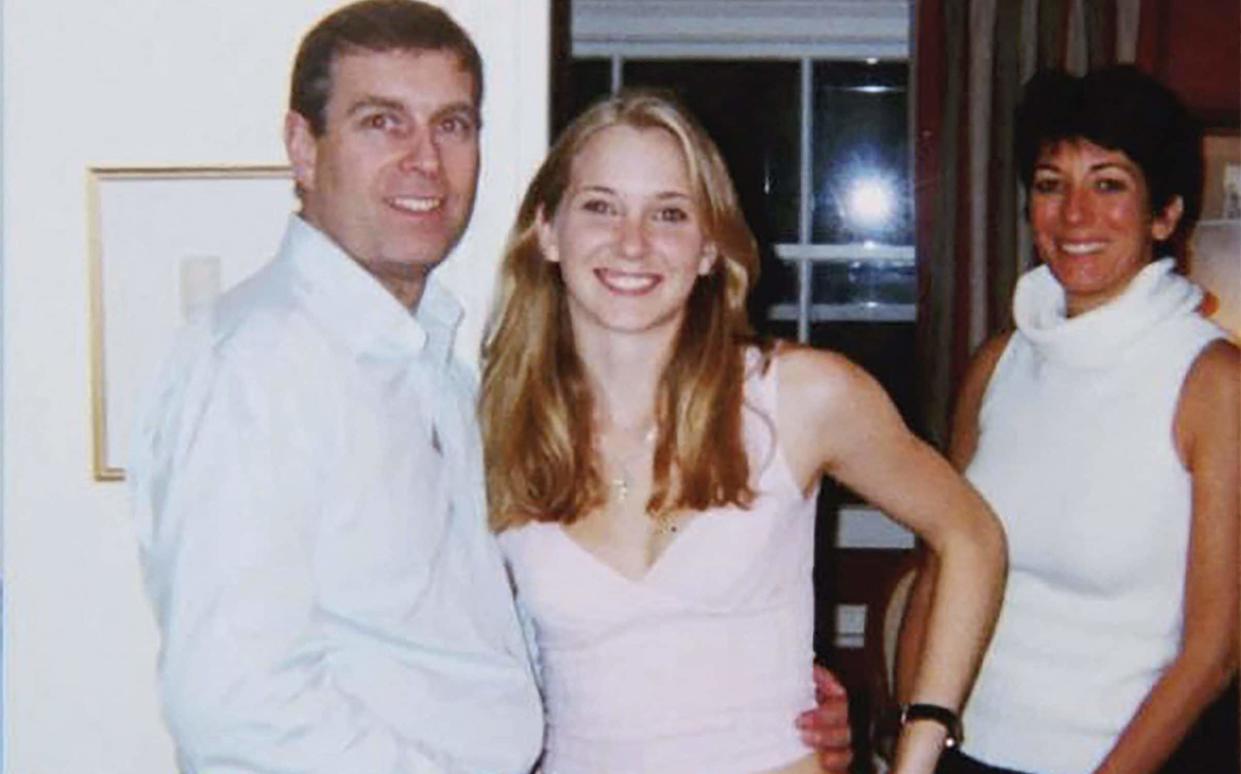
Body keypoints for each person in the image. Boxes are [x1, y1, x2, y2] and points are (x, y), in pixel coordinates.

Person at [129, 2, 853, 772]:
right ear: (303, 149)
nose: (424, 160)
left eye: (452, 125)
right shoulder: (259, 364)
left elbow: (476, 645)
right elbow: (235, 708)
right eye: (381, 122)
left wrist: (730, 697)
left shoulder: (440, 369)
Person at [479, 90, 1007, 774]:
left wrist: (919, 741)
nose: (632, 242)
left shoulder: (798, 397)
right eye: (600, 206)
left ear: (707, 248)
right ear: (548, 231)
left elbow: (971, 536)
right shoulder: (494, 423)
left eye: (668, 213)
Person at [897, 66, 1239, 774]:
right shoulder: (996, 364)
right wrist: (911, 744)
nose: (1073, 215)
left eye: (1108, 184)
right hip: (962, 751)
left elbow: (1215, 649)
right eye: (1051, 185)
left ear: (1165, 214)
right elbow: (937, 570)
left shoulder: (1212, 384)